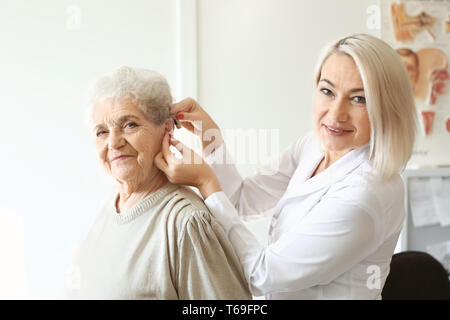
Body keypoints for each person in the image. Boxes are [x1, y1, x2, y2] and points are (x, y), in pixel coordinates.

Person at [155, 34, 418, 299]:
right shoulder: (314, 146)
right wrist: (209, 135)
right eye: (327, 91)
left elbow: (261, 275)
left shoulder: (366, 196)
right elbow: (241, 200)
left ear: (387, 107)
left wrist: (206, 183)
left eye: (359, 99)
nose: (336, 113)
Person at [65, 66, 251, 300]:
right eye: (101, 132)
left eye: (129, 125)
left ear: (166, 128)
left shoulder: (187, 222)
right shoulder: (109, 205)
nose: (113, 142)